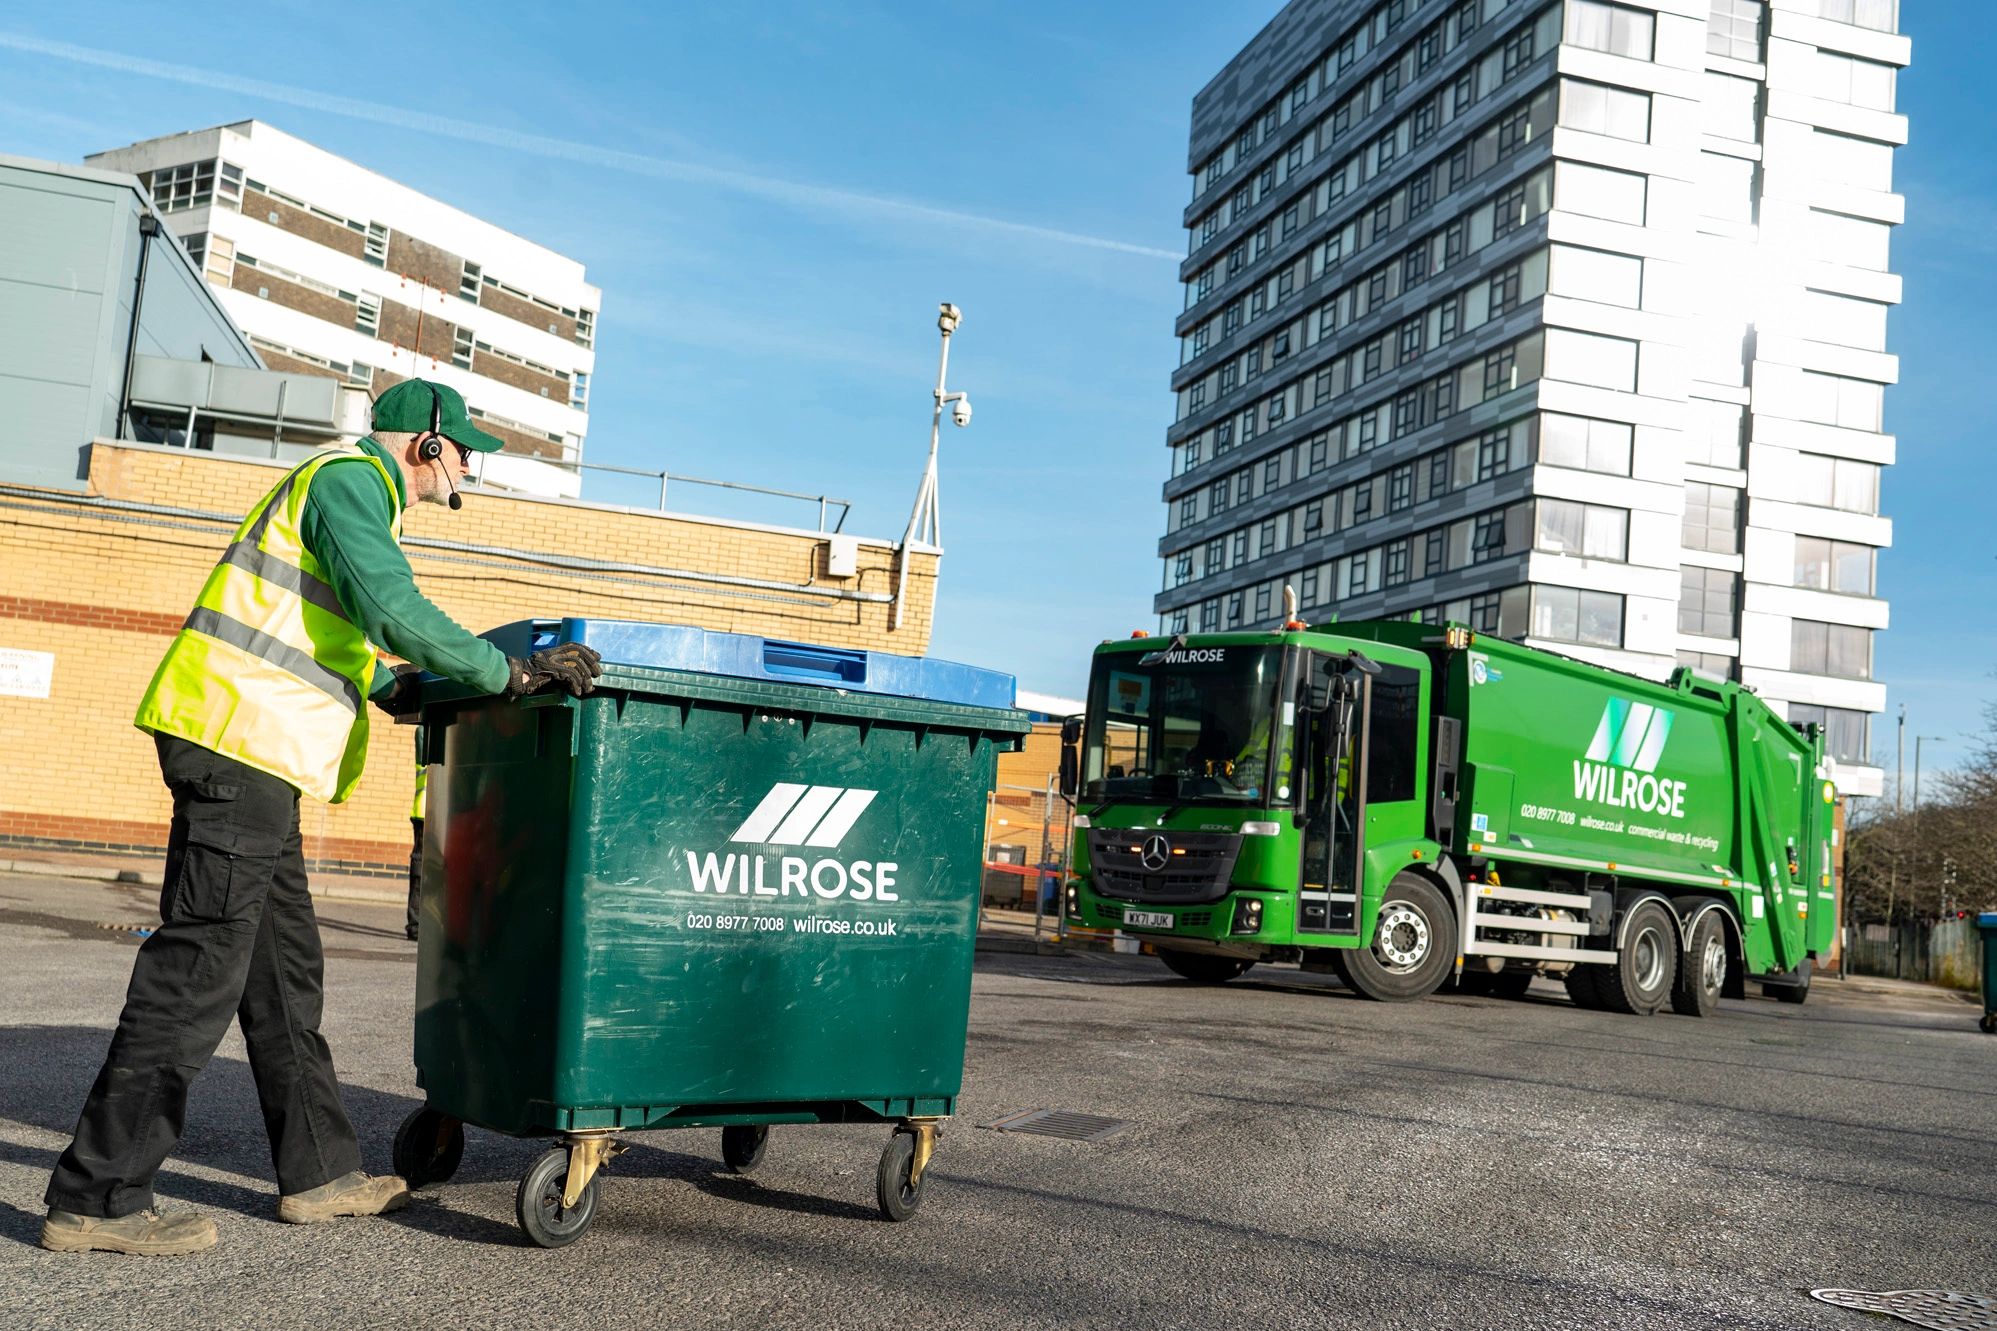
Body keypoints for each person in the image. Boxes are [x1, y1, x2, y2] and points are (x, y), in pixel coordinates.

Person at [41, 379, 604, 1256]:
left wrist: (401, 686)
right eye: (463, 452)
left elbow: (332, 631)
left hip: (258, 752)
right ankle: (98, 1196)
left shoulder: (351, 494)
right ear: (424, 443)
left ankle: (319, 1174)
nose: (468, 468)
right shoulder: (349, 481)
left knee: (283, 976)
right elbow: (389, 607)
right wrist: (508, 673)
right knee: (195, 974)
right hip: (237, 744)